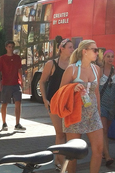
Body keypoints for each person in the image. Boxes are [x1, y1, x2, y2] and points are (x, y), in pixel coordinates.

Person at [58, 40, 103, 173]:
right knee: (73, 153)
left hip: (92, 114)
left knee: (99, 149)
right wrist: (73, 87)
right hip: (74, 114)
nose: (97, 53)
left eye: (97, 50)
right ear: (84, 51)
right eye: (94, 50)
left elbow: (96, 93)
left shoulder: (96, 69)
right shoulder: (72, 69)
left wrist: (98, 112)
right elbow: (61, 91)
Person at [39, 38, 73, 170]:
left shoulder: (73, 64)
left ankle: (63, 160)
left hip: (69, 103)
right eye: (70, 47)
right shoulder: (52, 64)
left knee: (68, 133)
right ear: (61, 48)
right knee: (60, 133)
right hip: (54, 102)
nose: (72, 49)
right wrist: (44, 99)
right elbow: (42, 81)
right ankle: (59, 161)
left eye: (72, 47)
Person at [0, 40, 26, 131]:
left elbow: (19, 69)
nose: (11, 48)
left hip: (16, 84)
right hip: (6, 84)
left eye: (12, 47)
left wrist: (21, 80)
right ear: (6, 48)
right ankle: (4, 123)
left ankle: (17, 123)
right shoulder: (2, 58)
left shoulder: (17, 58)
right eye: (9, 47)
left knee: (18, 102)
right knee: (4, 103)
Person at [99, 49, 115, 166]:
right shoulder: (99, 71)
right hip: (101, 103)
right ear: (104, 58)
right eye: (108, 56)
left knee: (106, 130)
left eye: (112, 56)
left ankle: (103, 150)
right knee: (104, 130)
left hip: (112, 104)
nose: (110, 58)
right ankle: (107, 156)